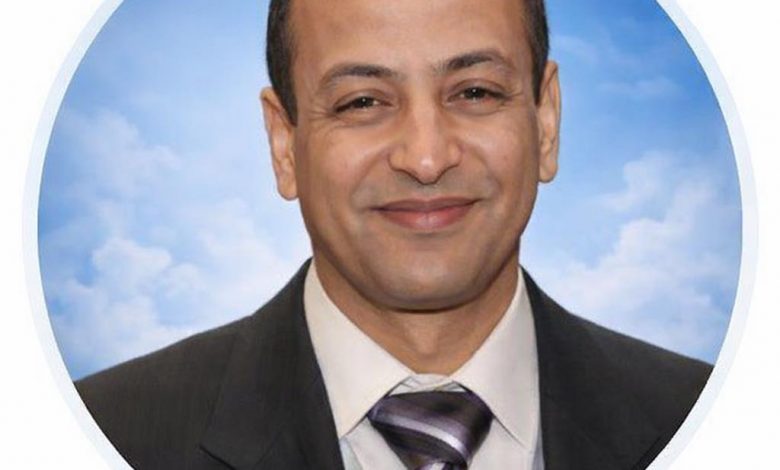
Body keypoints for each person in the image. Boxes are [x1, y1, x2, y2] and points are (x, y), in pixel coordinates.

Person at [76, 0, 712, 469]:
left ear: (546, 121)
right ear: (284, 143)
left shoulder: (707, 418)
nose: (426, 158)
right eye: (363, 102)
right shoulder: (102, 435)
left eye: (474, 91)